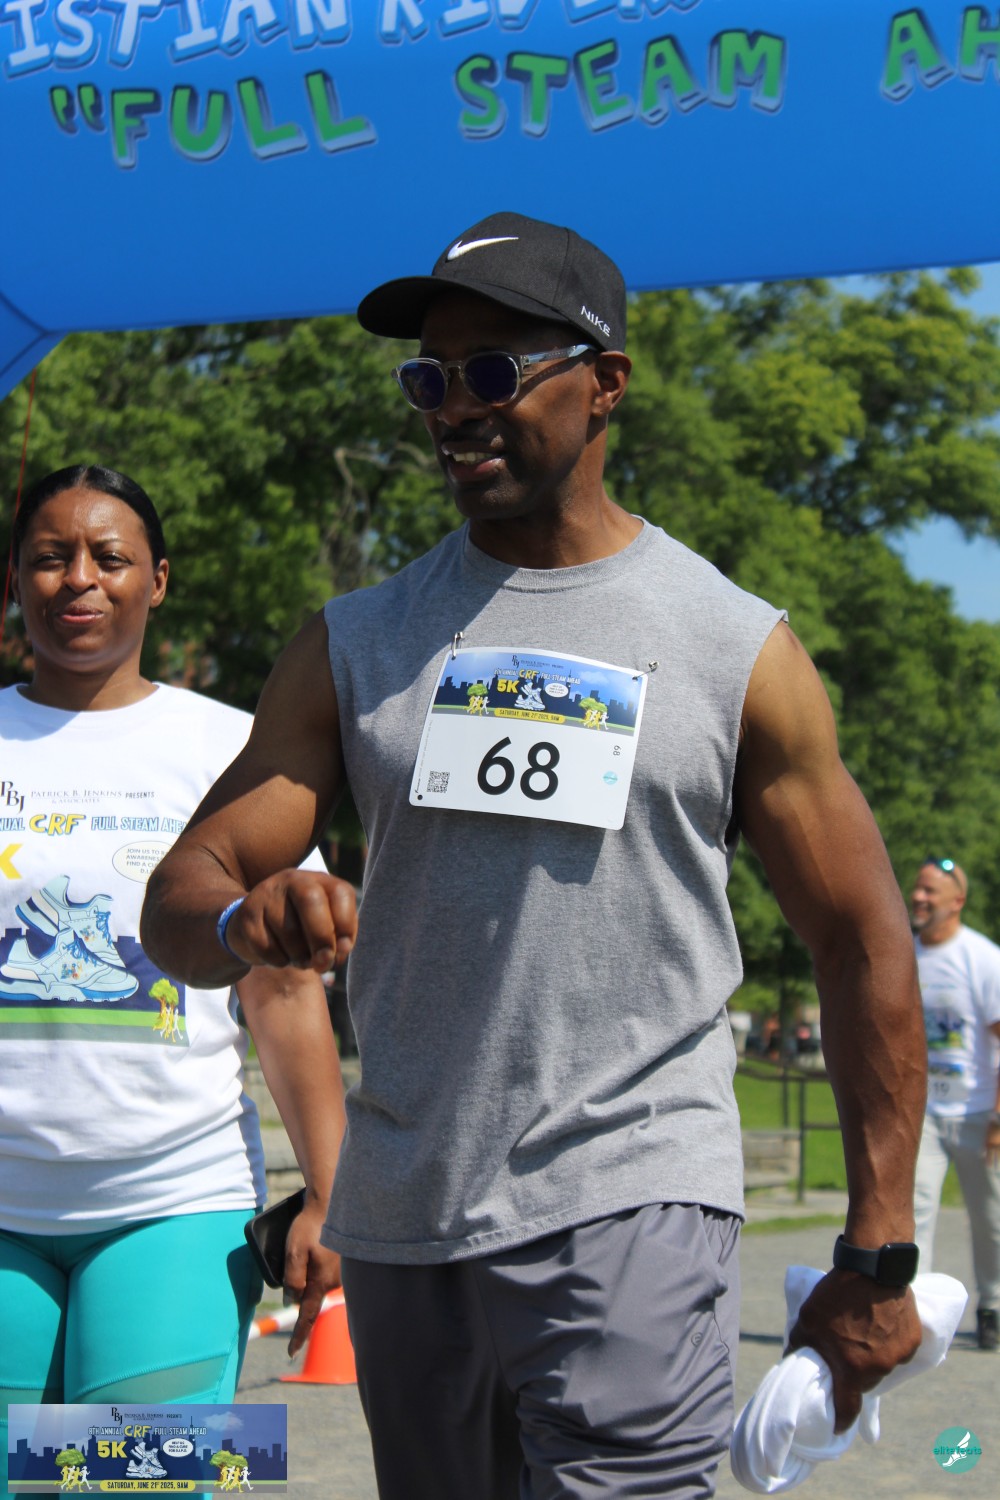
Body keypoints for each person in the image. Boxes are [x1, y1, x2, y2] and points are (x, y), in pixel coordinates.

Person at [142, 213, 927, 1500]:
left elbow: (859, 939)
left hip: (635, 1195)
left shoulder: (735, 647)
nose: (456, 407)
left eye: (495, 371)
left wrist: (879, 1250)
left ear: (604, 382)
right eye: (430, 378)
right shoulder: (354, 642)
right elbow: (181, 892)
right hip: (407, 1222)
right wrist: (245, 920)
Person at [0, 465, 345, 1498]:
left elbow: (284, 990)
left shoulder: (231, 748)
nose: (79, 579)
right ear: (14, 580)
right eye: (49, 557)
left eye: (108, 557)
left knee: (139, 1487)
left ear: (157, 580)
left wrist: (335, 1194)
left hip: (175, 1200)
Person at [909, 856, 1000, 1350]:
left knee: (991, 1219)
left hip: (979, 1113)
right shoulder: (903, 953)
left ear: (958, 901)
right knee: (913, 1212)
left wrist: (998, 1119)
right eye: (918, 889)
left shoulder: (982, 958)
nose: (918, 898)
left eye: (930, 892)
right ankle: (918, 1317)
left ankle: (993, 1304)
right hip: (920, 1113)